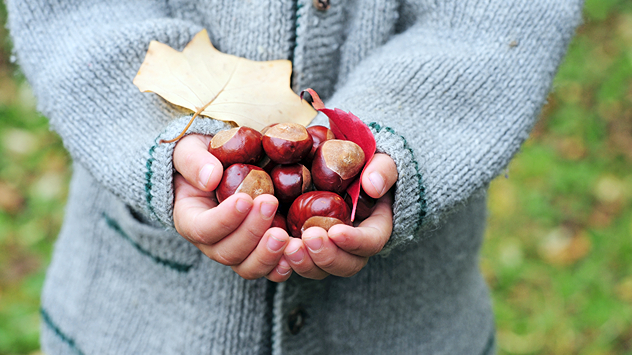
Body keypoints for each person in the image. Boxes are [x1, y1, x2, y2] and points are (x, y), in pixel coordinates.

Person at [6, 0, 584, 354]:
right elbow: (77, 12)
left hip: (411, 325)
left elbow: (498, 20)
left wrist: (402, 140)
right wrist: (168, 138)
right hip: (139, 320)